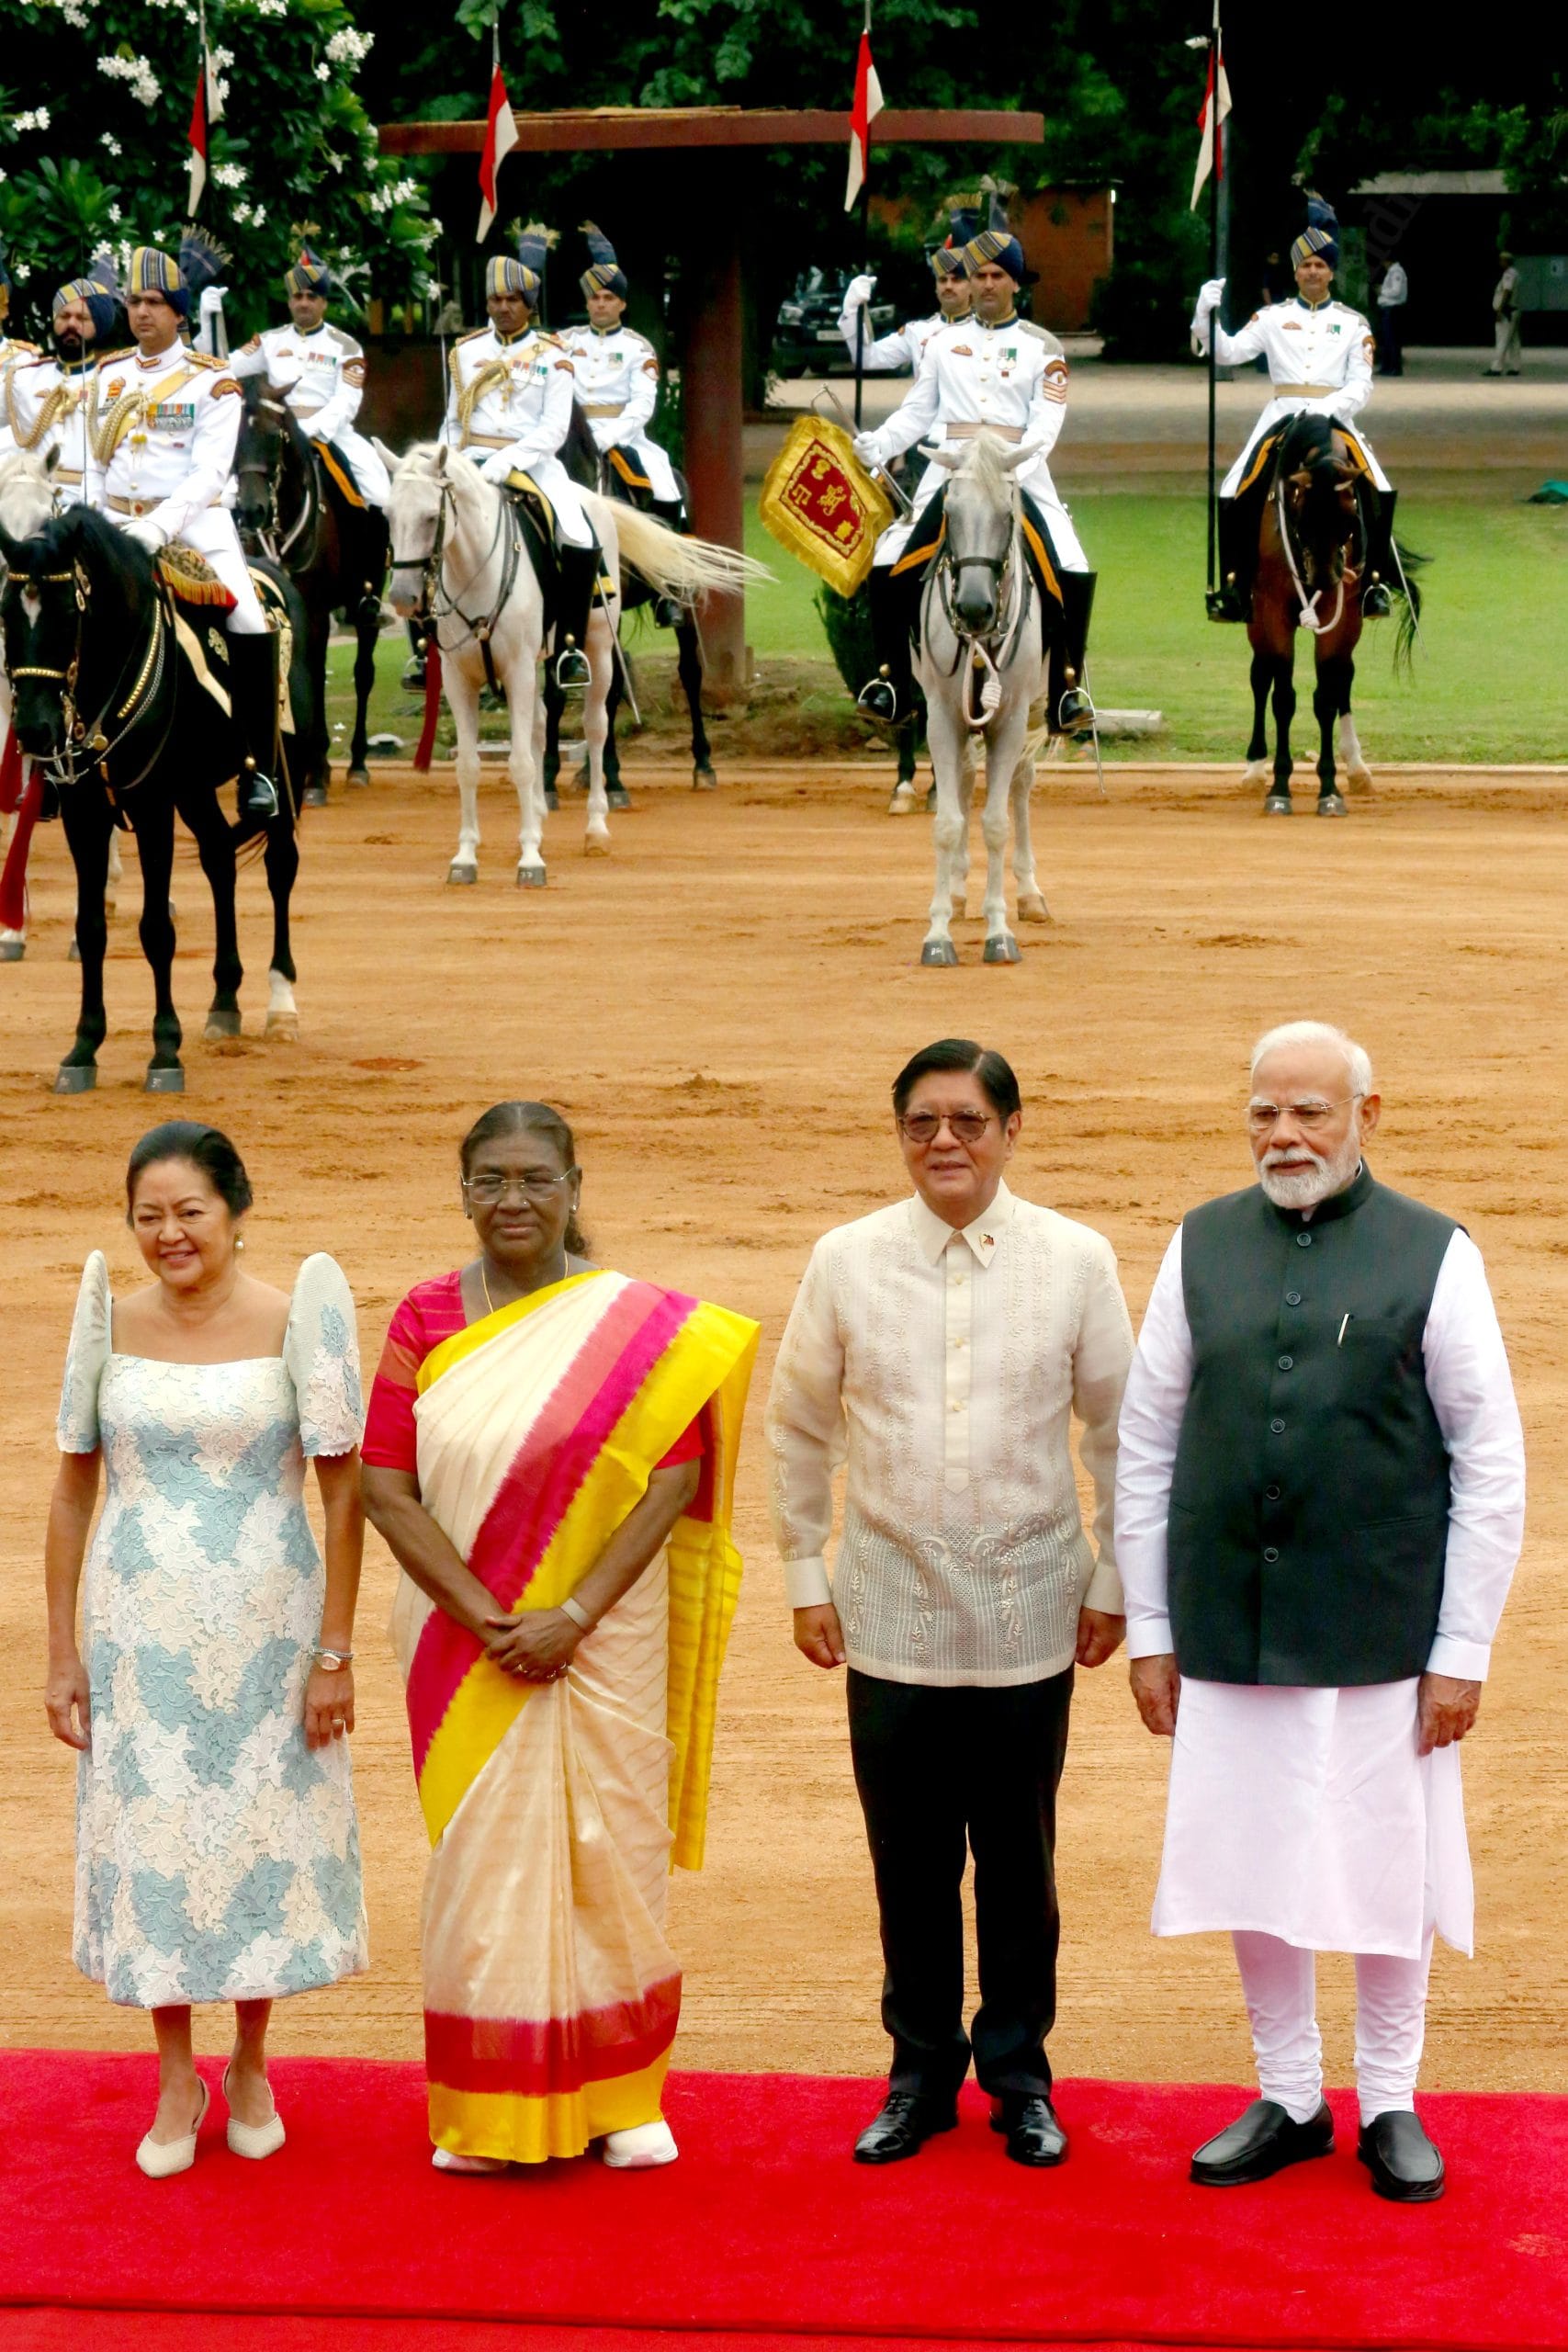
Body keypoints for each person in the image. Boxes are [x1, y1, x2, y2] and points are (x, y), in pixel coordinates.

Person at [1115, 1023, 1525, 2203]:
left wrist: (1461, 1650)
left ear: (1367, 1114)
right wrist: (1153, 1631)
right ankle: (1291, 2094)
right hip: (1230, 1621)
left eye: (1310, 1112)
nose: (1284, 1135)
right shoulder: (1198, 1245)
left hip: (1383, 1629)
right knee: (1256, 1860)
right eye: (1264, 1113)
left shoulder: (1435, 1253)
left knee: (1388, 1870)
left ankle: (1390, 2098)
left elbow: (1490, 1460)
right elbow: (1146, 1444)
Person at [360, 1101, 758, 2177]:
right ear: (463, 1190)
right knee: (481, 1860)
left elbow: (674, 1476)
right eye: (489, 1180)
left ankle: (623, 2093)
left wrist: (570, 1615)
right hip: (464, 1642)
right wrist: (490, 1619)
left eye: (535, 1179)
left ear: (576, 1185)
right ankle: (488, 2107)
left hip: (601, 1636)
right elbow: (384, 1487)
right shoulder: (426, 1317)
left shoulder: (635, 1327)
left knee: (611, 1850)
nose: (512, 1201)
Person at [766, 1040, 1134, 2170]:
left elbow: (1120, 1432)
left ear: (1012, 1131)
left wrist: (1117, 1575)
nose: (945, 1142)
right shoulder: (846, 1258)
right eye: (922, 1122)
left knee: (1019, 1864)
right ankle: (920, 2076)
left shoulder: (1075, 1259)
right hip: (885, 1611)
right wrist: (803, 1572)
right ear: (900, 1136)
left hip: (1030, 1609)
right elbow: (797, 1426)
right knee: (909, 1863)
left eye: (968, 1121)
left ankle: (1020, 2076)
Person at [46, 1122, 367, 2178]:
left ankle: (254, 2061)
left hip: (270, 1623)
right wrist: (62, 1652)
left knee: (257, 1830)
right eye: (149, 1216)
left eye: (190, 1211)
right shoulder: (108, 1316)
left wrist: (334, 1652)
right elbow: (72, 1485)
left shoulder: (299, 1314)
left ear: (236, 1209)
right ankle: (175, 2072)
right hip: (138, 1633)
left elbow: (344, 1486)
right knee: (161, 1839)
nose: (168, 1234)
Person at [852, 220, 1095, 738]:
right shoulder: (942, 341)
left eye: (996, 276)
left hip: (1017, 468)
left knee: (1071, 559)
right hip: (954, 469)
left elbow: (1047, 424)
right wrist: (883, 442)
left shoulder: (1044, 347)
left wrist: (1012, 473)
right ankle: (890, 681)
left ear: (1015, 284)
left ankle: (1066, 687)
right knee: (889, 555)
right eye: (977, 275)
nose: (985, 284)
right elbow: (919, 411)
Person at [84, 239, 280, 820]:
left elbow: (208, 474)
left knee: (247, 613)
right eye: (135, 300)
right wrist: (99, 525)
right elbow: (93, 463)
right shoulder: (107, 374)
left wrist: (159, 528)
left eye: (155, 301)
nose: (141, 311)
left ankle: (258, 766)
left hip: (196, 523)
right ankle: (61, 755)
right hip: (116, 518)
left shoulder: (214, 382)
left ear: (179, 311)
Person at [1191, 206, 1397, 622]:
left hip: (1334, 416)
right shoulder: (1273, 317)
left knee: (1379, 483)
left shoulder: (1354, 324)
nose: (1313, 272)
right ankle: (1235, 585)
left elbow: (1361, 384)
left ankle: (1376, 582)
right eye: (1305, 265)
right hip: (1281, 414)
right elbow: (1227, 352)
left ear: (1332, 273)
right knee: (1233, 487)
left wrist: (1329, 406)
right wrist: (1204, 316)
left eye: (1321, 265)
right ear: (1295, 272)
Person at [440, 238, 601, 688]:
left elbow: (554, 430)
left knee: (577, 529)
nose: (504, 307)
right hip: (472, 459)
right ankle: (426, 642)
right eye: (496, 299)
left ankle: (569, 645)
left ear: (529, 304)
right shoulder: (466, 352)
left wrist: (508, 458)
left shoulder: (554, 354)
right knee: (426, 521)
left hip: (533, 461)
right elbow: (453, 420)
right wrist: (448, 458)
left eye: (513, 300)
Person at [231, 245, 389, 618]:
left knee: (378, 495)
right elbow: (225, 368)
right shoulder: (268, 341)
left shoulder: (345, 345)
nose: (304, 303)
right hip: (275, 432)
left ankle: (367, 589)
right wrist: (205, 326)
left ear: (324, 303)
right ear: (289, 302)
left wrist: (309, 431)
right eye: (297, 296)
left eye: (311, 296)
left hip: (331, 434)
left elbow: (347, 400)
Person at [558, 222, 684, 626]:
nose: (599, 304)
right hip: (568, 435)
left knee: (666, 484)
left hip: (623, 434)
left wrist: (608, 436)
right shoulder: (565, 341)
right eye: (594, 297)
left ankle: (669, 586)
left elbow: (643, 406)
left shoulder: (637, 348)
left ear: (622, 305)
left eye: (608, 297)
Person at [6, 263, 119, 501]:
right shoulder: (23, 379)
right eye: (64, 316)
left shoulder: (114, 381)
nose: (71, 325)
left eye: (82, 318)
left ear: (98, 327)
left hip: (91, 501)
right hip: (32, 501)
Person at [837, 208, 977, 379]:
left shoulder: (989, 331)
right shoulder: (918, 333)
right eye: (942, 280)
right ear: (935, 287)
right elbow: (867, 359)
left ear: (972, 286)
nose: (948, 286)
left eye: (956, 280)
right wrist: (852, 311)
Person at [1485, 253, 1521, 377]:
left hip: (1507, 311)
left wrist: (1500, 310)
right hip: (1514, 310)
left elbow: (1507, 291)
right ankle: (1515, 367)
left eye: (1501, 260)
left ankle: (1496, 367)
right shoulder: (1516, 273)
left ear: (1506, 261)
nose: (1500, 262)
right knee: (1514, 341)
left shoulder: (1508, 274)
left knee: (1502, 339)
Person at [1374, 253, 1407, 377]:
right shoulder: (1392, 272)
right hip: (1387, 309)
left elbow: (1396, 291)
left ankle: (1394, 367)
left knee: (1392, 340)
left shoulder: (1396, 272)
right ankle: (1387, 366)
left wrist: (1381, 290)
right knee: (1387, 340)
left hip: (1393, 309)